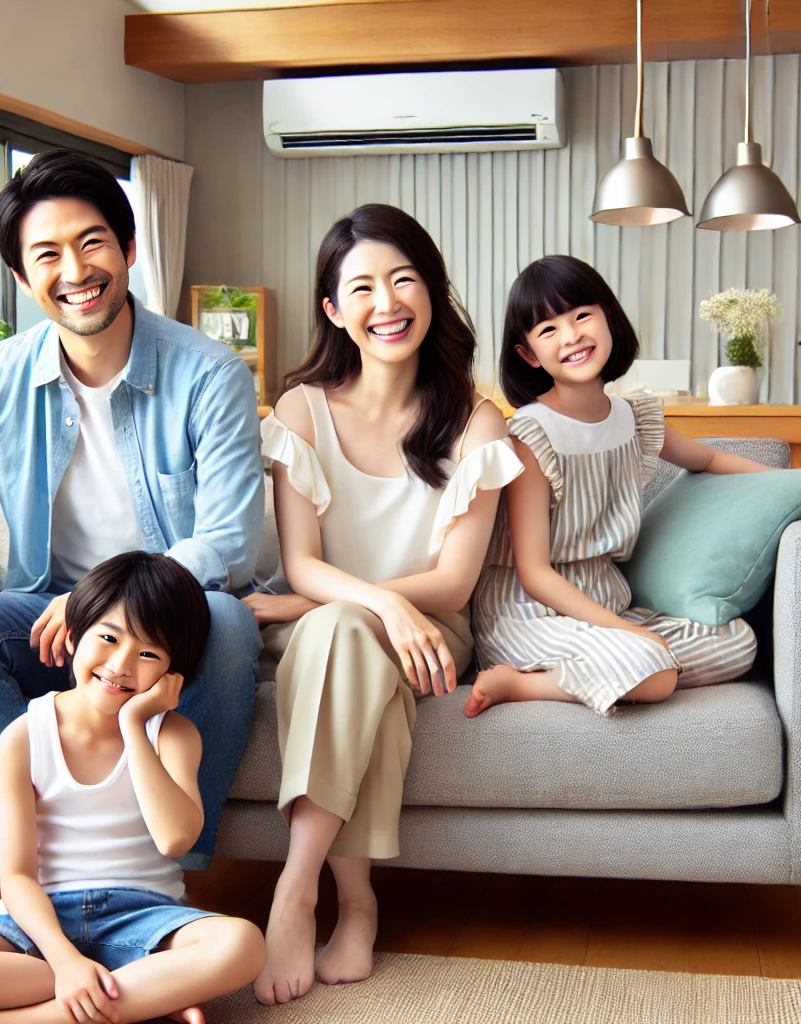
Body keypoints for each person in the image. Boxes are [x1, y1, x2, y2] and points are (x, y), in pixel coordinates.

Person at [0, 150, 263, 878]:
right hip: (49, 615)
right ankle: (33, 866)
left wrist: (105, 602)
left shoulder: (208, 375)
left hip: (171, 615)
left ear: (128, 250)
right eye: (48, 254)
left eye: (92, 243)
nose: (75, 270)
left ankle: (169, 873)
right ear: (25, 278)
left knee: (229, 622)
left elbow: (227, 543)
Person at [243, 204, 523, 1005]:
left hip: (431, 627)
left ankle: (294, 891)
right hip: (332, 621)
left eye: (403, 279)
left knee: (343, 629)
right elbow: (301, 560)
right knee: (347, 641)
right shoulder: (301, 411)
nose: (386, 301)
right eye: (360, 286)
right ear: (333, 309)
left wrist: (370, 607)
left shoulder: (476, 419)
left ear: (431, 292)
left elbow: (453, 585)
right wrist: (365, 608)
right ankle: (356, 904)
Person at [466, 255, 801, 718]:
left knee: (737, 643)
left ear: (608, 318)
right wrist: (631, 636)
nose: (572, 335)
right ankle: (521, 686)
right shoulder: (530, 434)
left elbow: (709, 459)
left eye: (582, 315)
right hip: (531, 612)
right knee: (654, 670)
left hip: (608, 601)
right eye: (548, 330)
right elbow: (535, 573)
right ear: (528, 354)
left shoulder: (633, 419)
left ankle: (625, 664)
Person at [0, 551, 266, 1024]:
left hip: (144, 912)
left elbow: (175, 839)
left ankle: (26, 1019)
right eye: (108, 638)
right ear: (73, 635)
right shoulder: (23, 737)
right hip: (43, 920)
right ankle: (145, 994)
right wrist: (65, 960)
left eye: (148, 654)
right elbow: (16, 876)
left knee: (241, 944)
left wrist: (136, 724)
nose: (120, 665)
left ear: (172, 673)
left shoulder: (173, 735)